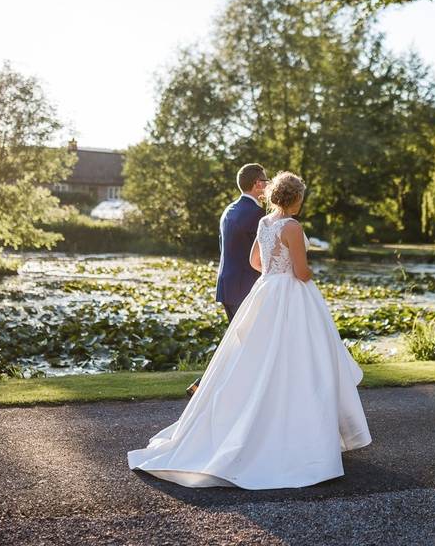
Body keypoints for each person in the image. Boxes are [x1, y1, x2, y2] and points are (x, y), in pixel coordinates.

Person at [129, 171, 372, 489]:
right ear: (295, 197)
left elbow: (256, 261)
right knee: (302, 361)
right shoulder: (292, 226)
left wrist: (275, 271)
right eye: (301, 196)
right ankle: (301, 437)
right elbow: (300, 271)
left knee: (259, 361)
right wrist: (309, 271)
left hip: (265, 292)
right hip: (291, 297)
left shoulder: (265, 223)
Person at [185, 163, 268, 397]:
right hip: (245, 287)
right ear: (257, 184)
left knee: (238, 343)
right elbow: (260, 256)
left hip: (227, 284)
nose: (268, 185)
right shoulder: (257, 215)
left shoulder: (229, 210)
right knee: (243, 343)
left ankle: (214, 389)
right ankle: (207, 387)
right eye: (266, 180)